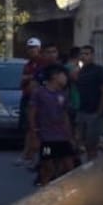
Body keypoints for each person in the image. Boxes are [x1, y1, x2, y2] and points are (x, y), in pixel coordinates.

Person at [31, 64, 75, 186]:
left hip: (62, 137)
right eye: (64, 75)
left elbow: (65, 115)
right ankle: (44, 190)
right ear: (55, 76)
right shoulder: (39, 93)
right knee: (47, 167)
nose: (66, 78)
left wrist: (70, 136)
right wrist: (34, 135)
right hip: (46, 138)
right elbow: (32, 114)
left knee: (69, 166)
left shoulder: (63, 94)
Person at [74, 45, 103, 162]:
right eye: (82, 54)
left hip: (94, 112)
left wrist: (99, 112)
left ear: (92, 55)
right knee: (79, 142)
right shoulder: (80, 71)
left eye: (87, 54)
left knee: (92, 145)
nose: (84, 56)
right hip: (82, 111)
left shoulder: (99, 70)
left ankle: (92, 169)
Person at [18, 37, 51, 166]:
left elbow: (39, 80)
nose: (32, 51)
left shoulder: (44, 64)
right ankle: (29, 155)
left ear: (39, 49)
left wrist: (30, 78)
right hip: (28, 99)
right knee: (29, 127)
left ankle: (39, 157)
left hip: (41, 101)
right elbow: (22, 81)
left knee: (40, 129)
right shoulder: (28, 65)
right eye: (30, 48)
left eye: (34, 48)